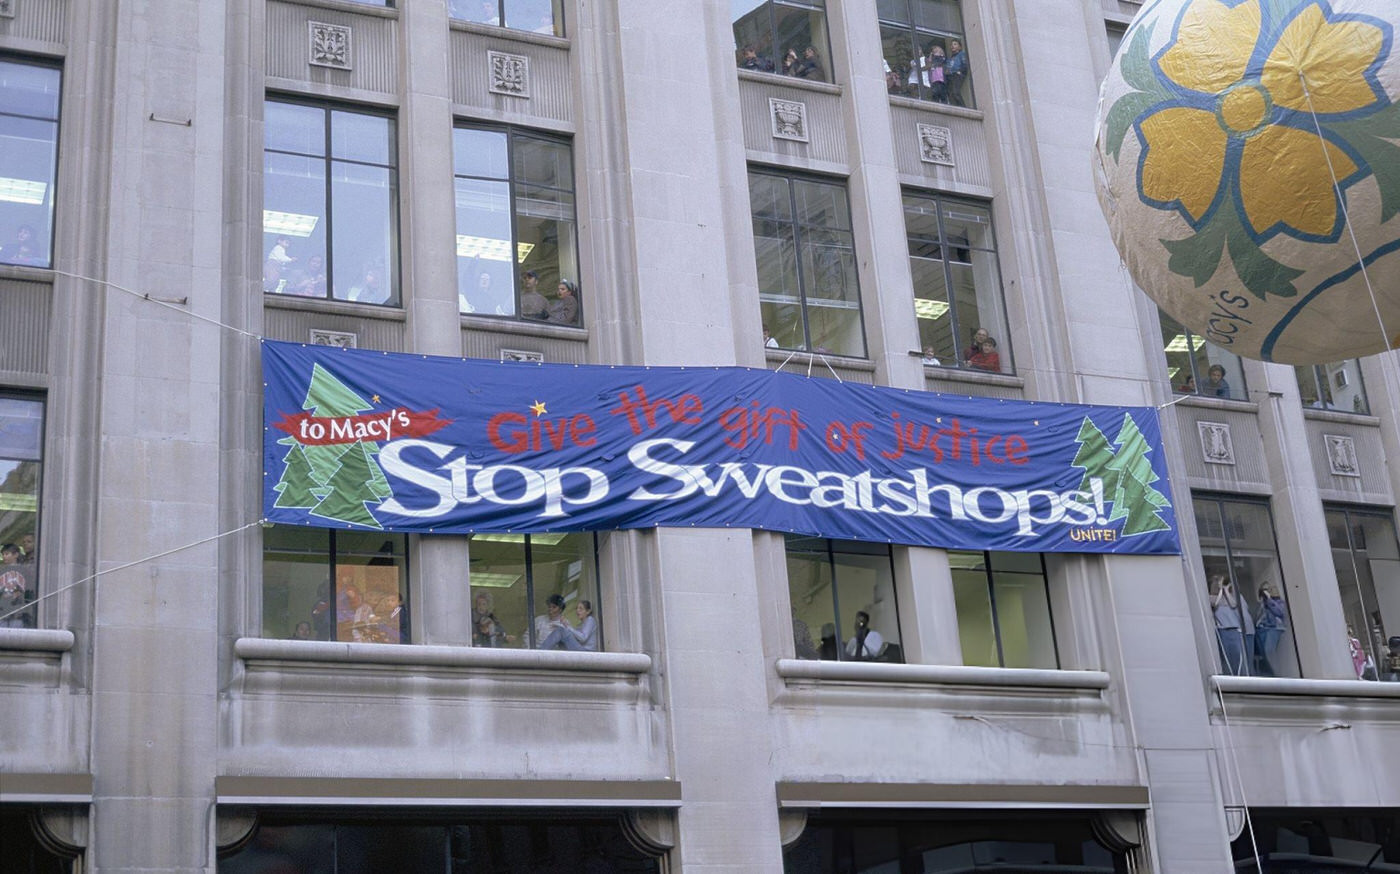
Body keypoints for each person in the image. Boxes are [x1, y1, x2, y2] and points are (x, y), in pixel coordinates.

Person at [1210, 574, 1253, 675]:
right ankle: (1231, 676)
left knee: (1239, 657)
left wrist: (1226, 590)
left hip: (1235, 629)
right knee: (1228, 657)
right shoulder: (1211, 597)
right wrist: (1220, 590)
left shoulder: (1230, 597)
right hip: (1224, 630)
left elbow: (1234, 604)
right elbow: (1216, 604)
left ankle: (1241, 677)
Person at [1253, 583, 1287, 676]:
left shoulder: (1279, 602)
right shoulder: (1262, 605)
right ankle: (1268, 674)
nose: (1266, 592)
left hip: (1272, 629)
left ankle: (1276, 674)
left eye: (1267, 590)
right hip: (1261, 630)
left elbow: (1279, 612)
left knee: (1269, 652)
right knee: (1262, 655)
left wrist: (1269, 599)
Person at [0, 543, 29, 628]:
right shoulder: (2, 570)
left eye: (7, 554)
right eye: (3, 554)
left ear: (15, 554)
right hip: (2, 611)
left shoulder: (23, 570)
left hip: (18, 612)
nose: (4, 557)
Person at [944, 38, 968, 106]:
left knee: (955, 91)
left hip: (957, 75)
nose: (952, 46)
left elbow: (964, 65)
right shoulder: (950, 58)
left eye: (955, 44)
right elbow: (948, 67)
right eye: (951, 45)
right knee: (950, 93)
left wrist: (960, 71)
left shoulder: (961, 54)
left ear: (959, 47)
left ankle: (963, 107)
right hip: (951, 76)